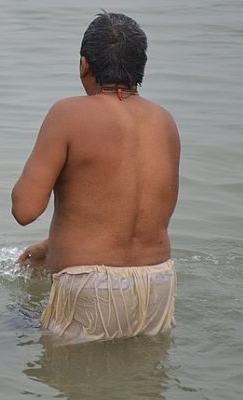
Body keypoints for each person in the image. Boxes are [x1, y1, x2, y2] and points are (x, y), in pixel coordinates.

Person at [11, 12, 180, 344]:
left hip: (89, 289)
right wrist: (54, 245)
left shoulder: (68, 113)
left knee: (71, 385)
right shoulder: (165, 122)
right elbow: (147, 214)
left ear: (84, 65)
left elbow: (24, 209)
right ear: (140, 68)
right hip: (159, 282)